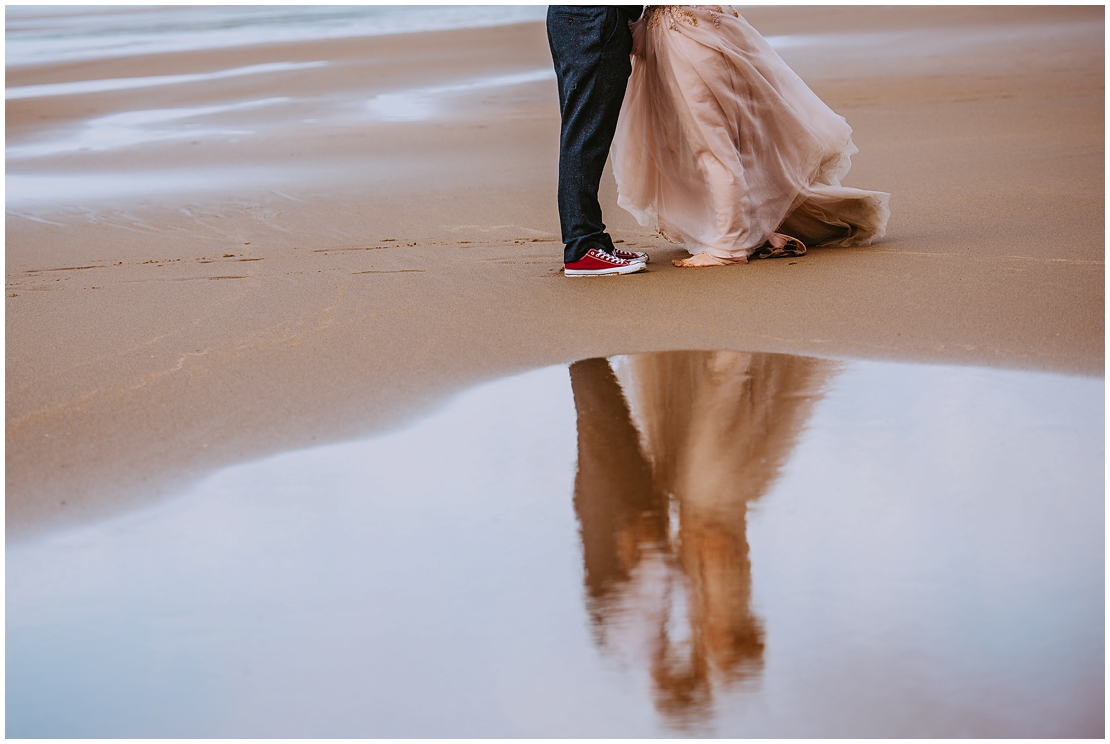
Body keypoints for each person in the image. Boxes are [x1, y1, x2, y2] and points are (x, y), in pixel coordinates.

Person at [612, 6, 891, 267]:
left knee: (711, 145)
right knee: (740, 138)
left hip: (684, 38)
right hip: (717, 27)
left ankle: (730, 247)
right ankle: (760, 231)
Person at [547, 6, 650, 277]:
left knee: (584, 132)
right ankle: (582, 248)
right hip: (591, 20)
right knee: (584, 136)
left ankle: (593, 241)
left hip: (578, 18)